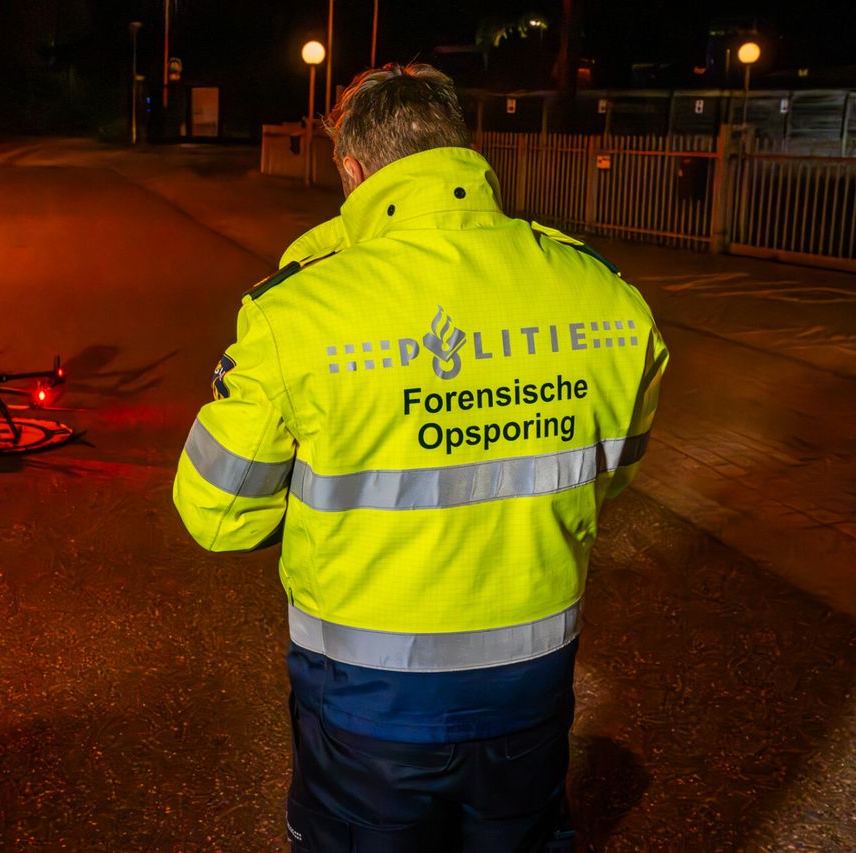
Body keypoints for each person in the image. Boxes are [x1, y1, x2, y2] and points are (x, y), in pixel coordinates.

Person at [172, 63, 667, 852]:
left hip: (368, 704)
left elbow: (218, 515)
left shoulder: (299, 311)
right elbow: (614, 470)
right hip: (533, 681)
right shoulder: (605, 296)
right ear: (462, 151)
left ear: (354, 169)